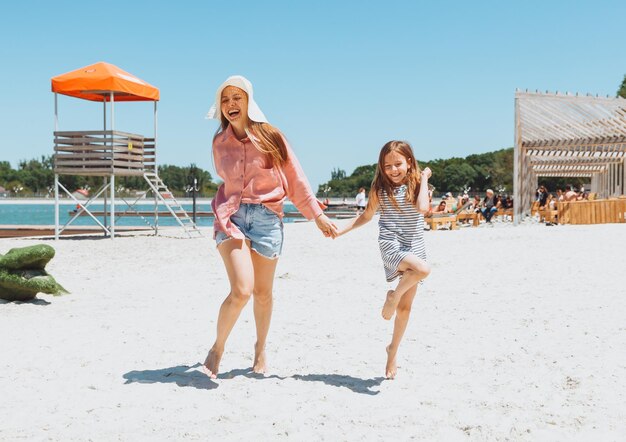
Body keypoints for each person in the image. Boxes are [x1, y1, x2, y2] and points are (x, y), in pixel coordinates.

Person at [202, 75, 338, 379]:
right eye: (225, 100)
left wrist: (317, 216)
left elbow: (295, 178)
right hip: (231, 216)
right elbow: (225, 180)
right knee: (241, 290)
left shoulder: (271, 136)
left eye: (237, 98)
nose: (231, 105)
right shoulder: (218, 141)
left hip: (267, 219)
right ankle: (217, 347)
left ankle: (260, 348)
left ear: (249, 100)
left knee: (263, 294)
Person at [338, 140, 431, 379]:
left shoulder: (418, 184)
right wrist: (341, 230)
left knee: (405, 309)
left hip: (415, 246)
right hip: (391, 245)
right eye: (387, 165)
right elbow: (366, 216)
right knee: (423, 269)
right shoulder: (380, 190)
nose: (393, 170)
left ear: (409, 163)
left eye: (398, 164)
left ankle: (392, 351)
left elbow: (423, 208)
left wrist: (425, 179)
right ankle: (393, 295)